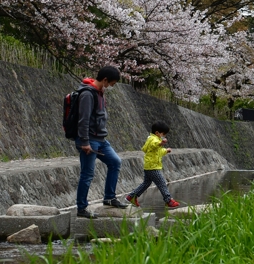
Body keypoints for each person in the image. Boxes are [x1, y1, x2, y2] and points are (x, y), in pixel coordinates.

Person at [75, 66, 127, 219]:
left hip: (101, 139)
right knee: (87, 174)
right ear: (105, 80)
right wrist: (84, 142)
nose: (112, 86)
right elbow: (83, 120)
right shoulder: (87, 94)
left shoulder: (99, 93)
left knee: (115, 162)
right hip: (89, 140)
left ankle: (109, 197)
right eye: (112, 83)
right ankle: (82, 208)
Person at [126, 121, 181, 209]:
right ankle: (168, 200)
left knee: (146, 183)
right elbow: (153, 145)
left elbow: (158, 151)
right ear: (157, 133)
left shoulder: (154, 139)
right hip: (153, 167)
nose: (164, 136)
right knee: (162, 183)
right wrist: (160, 143)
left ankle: (132, 196)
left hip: (149, 166)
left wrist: (166, 150)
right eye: (163, 134)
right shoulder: (153, 139)